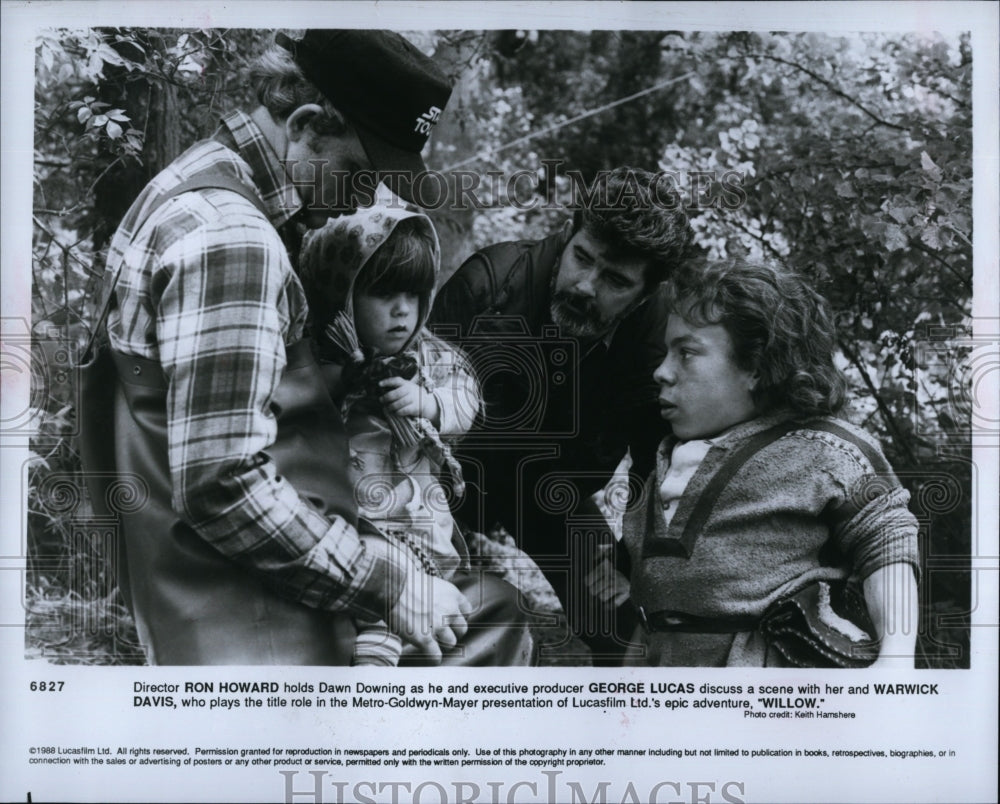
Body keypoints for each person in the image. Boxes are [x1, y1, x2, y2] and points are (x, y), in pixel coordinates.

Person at [94, 30, 478, 665]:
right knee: (489, 625)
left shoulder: (197, 180)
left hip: (214, 585)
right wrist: (392, 582)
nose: (366, 200)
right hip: (242, 613)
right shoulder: (234, 239)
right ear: (305, 125)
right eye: (359, 173)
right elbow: (223, 484)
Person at [428, 167, 694, 663]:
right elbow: (411, 421)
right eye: (582, 258)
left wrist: (627, 560)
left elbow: (657, 464)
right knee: (442, 622)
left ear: (645, 293)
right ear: (570, 233)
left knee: (625, 632)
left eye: (615, 279)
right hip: (453, 483)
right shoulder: (489, 282)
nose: (586, 286)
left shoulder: (659, 341)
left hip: (554, 497)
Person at [621, 259, 919, 667]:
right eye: (665, 352)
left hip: (776, 694)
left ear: (756, 366)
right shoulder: (663, 461)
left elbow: (887, 541)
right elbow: (654, 605)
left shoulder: (824, 449)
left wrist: (896, 661)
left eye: (686, 353)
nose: (661, 371)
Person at [298, 204, 532, 666]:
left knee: (440, 607)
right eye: (383, 294)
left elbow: (467, 399)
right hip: (363, 529)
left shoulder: (433, 357)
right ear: (343, 292)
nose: (402, 311)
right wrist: (344, 381)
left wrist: (431, 405)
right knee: (380, 612)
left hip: (424, 528)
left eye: (414, 293)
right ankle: (374, 673)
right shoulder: (322, 362)